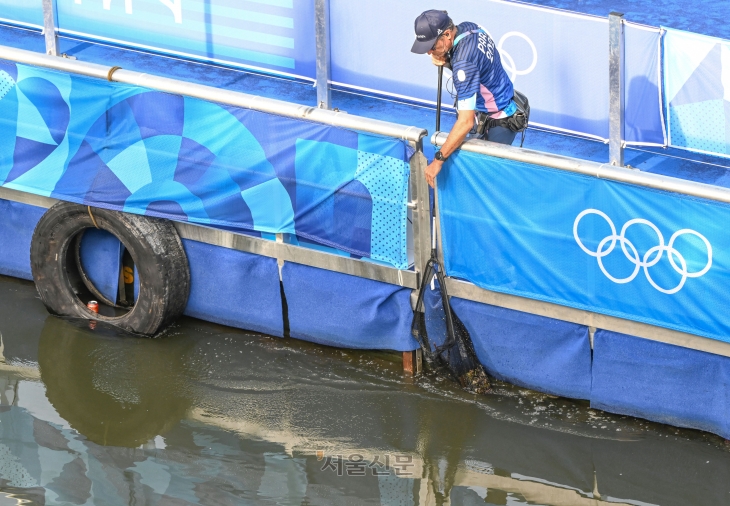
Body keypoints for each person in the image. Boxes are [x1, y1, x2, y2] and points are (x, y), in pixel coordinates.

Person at [411, 10, 521, 187]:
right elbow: (476, 67)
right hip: (497, 106)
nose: (429, 52)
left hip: (498, 123)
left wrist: (438, 161)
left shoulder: (463, 63)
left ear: (447, 34)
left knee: (485, 184)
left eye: (432, 46)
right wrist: (447, 61)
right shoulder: (470, 27)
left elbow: (465, 122)